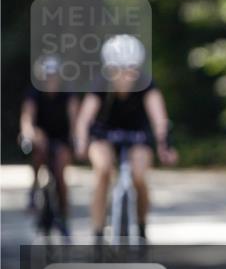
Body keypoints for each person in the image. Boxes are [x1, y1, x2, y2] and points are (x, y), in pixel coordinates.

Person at [73, 34, 177, 243]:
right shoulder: (101, 83)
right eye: (117, 69)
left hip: (137, 135)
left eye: (130, 68)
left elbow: (159, 119)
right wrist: (82, 142)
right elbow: (85, 118)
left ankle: (141, 226)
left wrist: (164, 145)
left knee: (139, 176)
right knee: (102, 171)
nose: (124, 75)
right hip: (103, 135)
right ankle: (98, 232)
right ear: (109, 68)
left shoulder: (146, 84)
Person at [20, 55, 78, 238]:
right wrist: (28, 133)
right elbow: (27, 117)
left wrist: (76, 138)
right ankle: (34, 187)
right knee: (39, 145)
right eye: (47, 77)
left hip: (62, 138)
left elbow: (74, 118)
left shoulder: (68, 93)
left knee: (60, 175)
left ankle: (64, 216)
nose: (50, 80)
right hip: (41, 137)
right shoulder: (34, 93)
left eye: (53, 76)